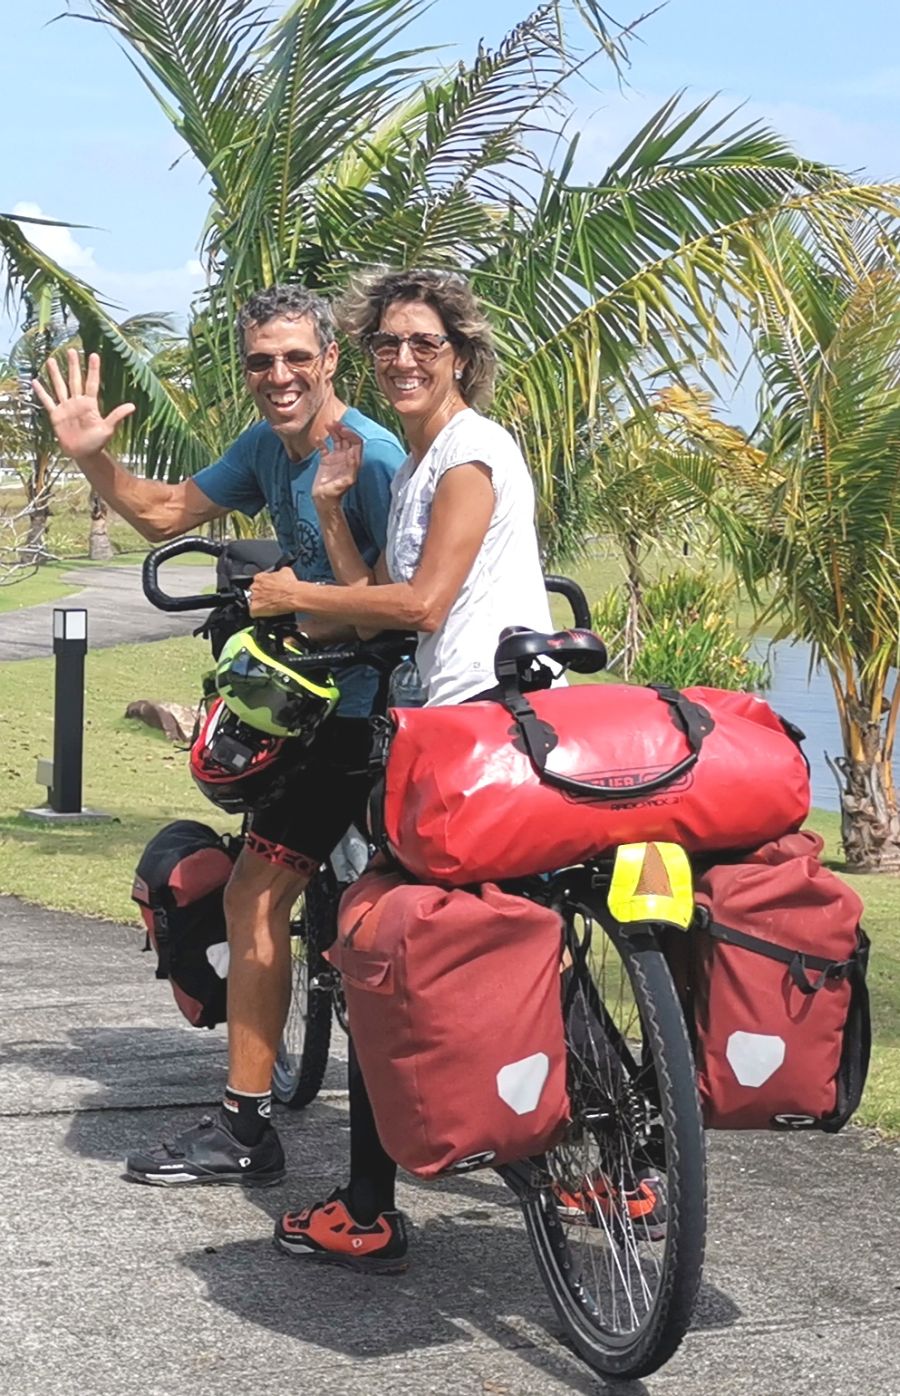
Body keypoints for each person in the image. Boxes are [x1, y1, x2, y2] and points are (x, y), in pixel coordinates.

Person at [33, 285, 405, 1186]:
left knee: (254, 896)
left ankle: (245, 1130)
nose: (279, 375)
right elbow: (166, 514)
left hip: (370, 713)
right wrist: (93, 458)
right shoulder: (268, 447)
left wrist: (301, 602)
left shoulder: (373, 458)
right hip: (327, 700)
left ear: (331, 360)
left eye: (296, 357)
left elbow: (403, 602)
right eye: (260, 361)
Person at [243, 266, 556, 1271]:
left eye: (425, 342)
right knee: (528, 933)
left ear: (461, 353)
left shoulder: (470, 453)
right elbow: (373, 595)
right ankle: (616, 1162)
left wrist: (290, 591)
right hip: (466, 731)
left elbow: (421, 606)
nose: (404, 359)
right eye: (389, 343)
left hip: (481, 732)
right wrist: (333, 511)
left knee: (369, 938)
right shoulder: (421, 465)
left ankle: (368, 1211)